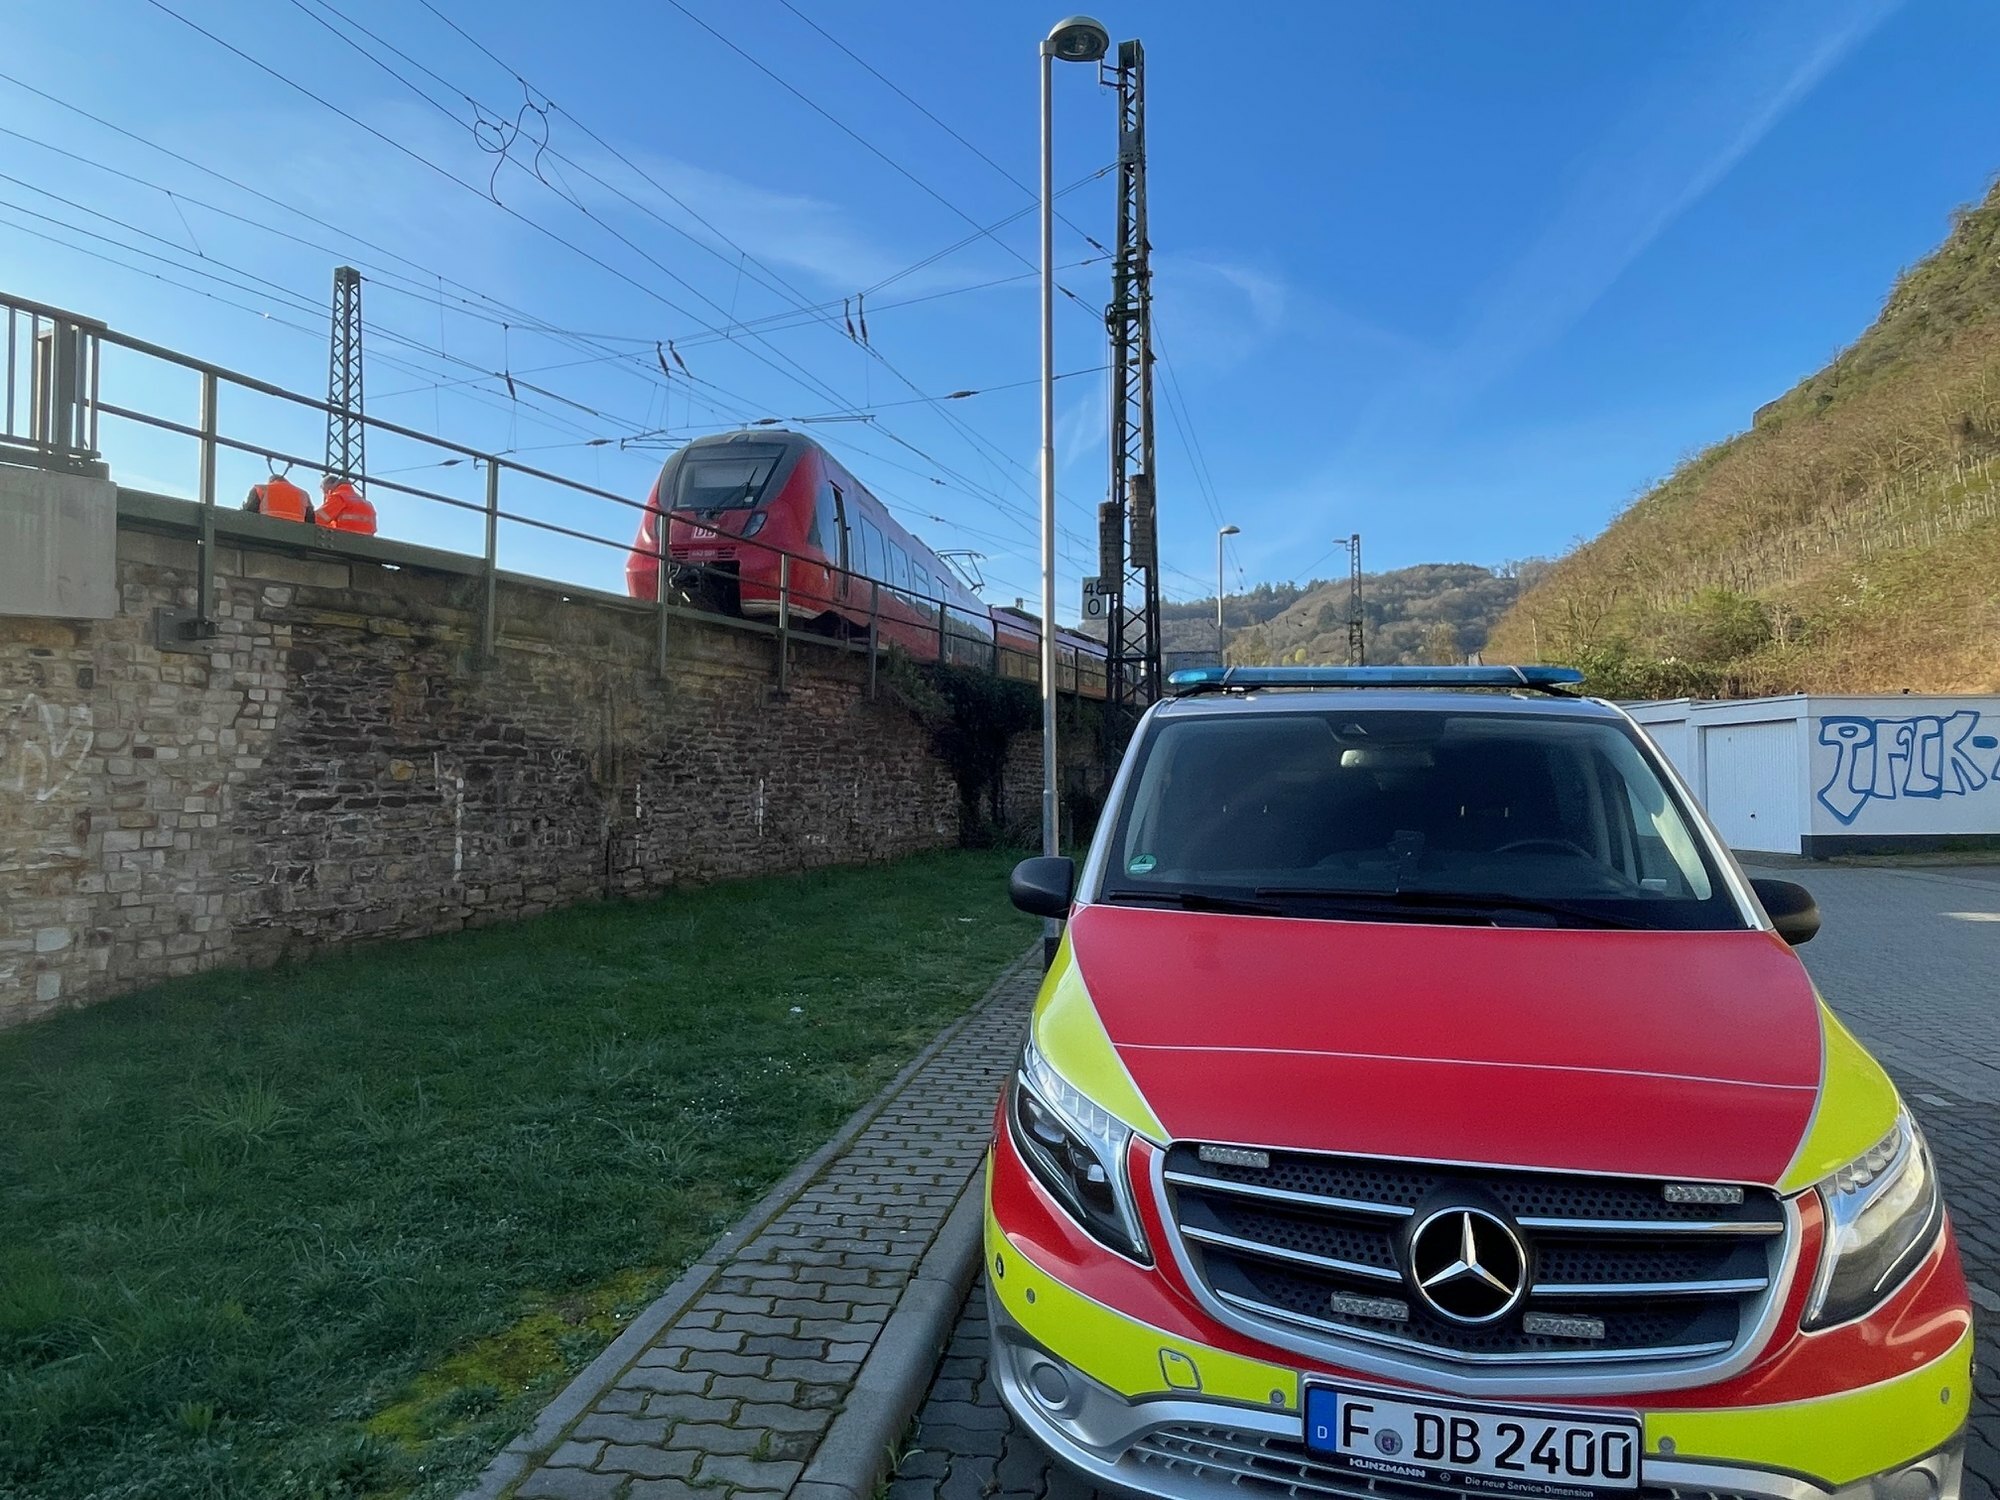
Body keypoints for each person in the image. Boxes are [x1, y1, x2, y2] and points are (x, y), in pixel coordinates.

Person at [242, 470, 313, 522]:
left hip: (265, 531)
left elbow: (248, 514)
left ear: (270, 481)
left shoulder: (260, 489)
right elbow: (310, 520)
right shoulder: (304, 494)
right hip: (297, 533)